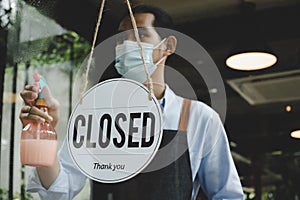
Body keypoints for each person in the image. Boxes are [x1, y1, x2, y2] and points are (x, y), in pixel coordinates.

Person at [19, 4, 244, 200]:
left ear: (168, 46)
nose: (127, 43)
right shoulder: (98, 117)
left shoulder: (198, 118)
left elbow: (227, 195)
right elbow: (59, 191)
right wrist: (45, 131)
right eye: (121, 38)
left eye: (140, 35)